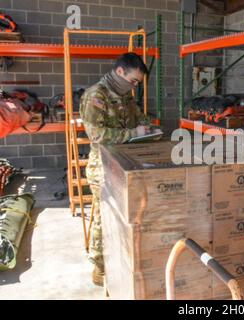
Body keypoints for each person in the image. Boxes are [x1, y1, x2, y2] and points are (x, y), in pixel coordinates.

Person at [80, 52, 161, 286]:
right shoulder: (96, 96)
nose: (134, 86)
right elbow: (96, 135)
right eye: (133, 81)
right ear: (120, 72)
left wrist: (149, 129)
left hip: (126, 164)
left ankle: (122, 261)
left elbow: (139, 119)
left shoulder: (126, 96)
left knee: (126, 216)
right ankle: (99, 268)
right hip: (103, 167)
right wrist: (132, 134)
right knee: (103, 217)